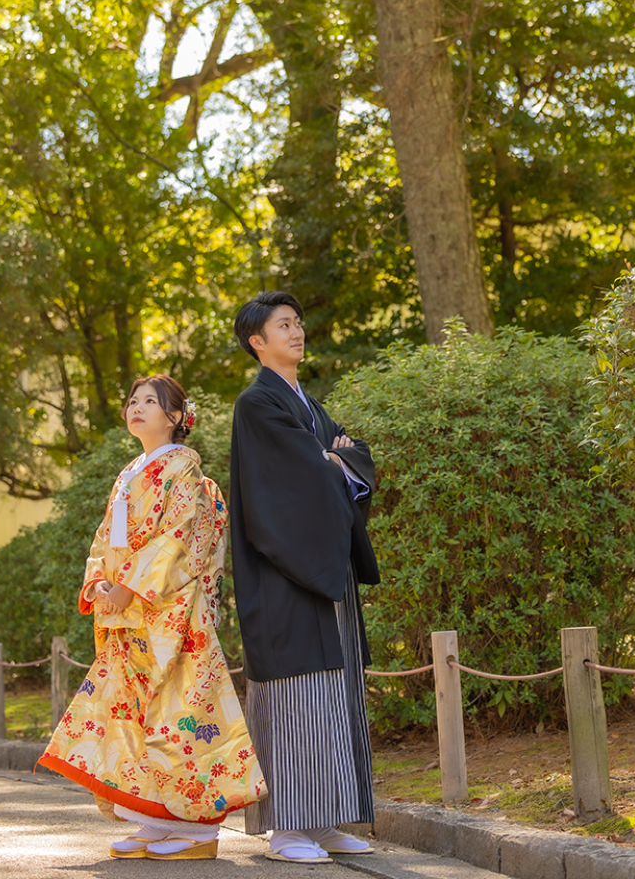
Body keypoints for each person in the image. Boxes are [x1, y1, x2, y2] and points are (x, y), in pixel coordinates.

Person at [37, 374, 266, 861]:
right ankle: (154, 820)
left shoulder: (183, 470)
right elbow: (106, 539)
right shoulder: (129, 473)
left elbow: (178, 538)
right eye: (133, 400)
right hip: (129, 615)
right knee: (135, 716)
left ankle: (198, 829)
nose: (137, 407)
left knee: (179, 715)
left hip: (172, 616)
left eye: (151, 401)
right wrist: (99, 582)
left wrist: (128, 586)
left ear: (177, 418)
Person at [230, 291, 381, 864]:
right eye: (283, 325)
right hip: (283, 574)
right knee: (296, 697)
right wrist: (332, 461)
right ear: (257, 341)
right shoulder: (257, 404)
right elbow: (294, 481)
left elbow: (354, 456)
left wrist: (335, 461)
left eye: (297, 323)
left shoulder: (309, 407)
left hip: (326, 568)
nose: (296, 332)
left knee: (336, 695)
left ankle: (329, 819)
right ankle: (287, 828)